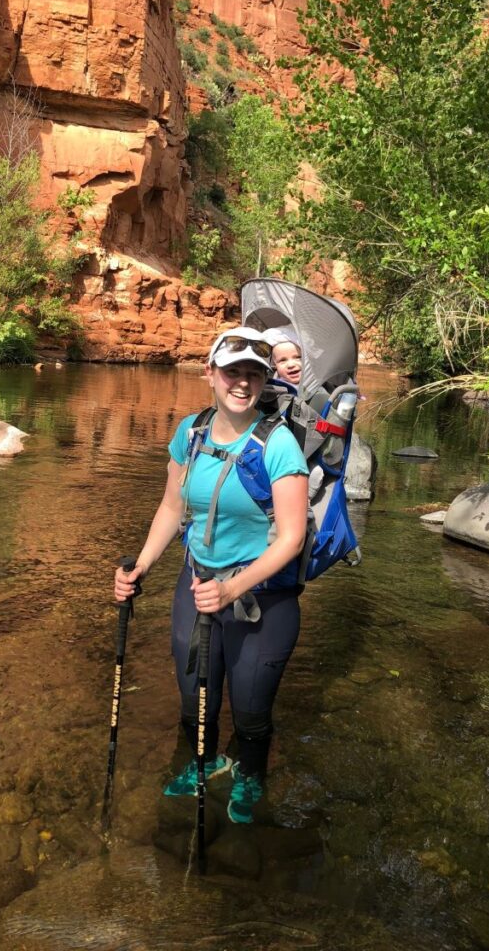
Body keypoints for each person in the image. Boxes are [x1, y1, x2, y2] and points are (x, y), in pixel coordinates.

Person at [114, 326, 309, 824]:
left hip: (261, 597)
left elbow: (291, 538)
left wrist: (232, 589)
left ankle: (248, 774)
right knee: (193, 695)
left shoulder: (278, 444)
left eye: (253, 375)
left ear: (264, 382)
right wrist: (140, 566)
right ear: (210, 374)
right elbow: (171, 507)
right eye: (232, 372)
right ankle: (203, 763)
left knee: (249, 712)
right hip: (197, 583)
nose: (242, 384)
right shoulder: (191, 433)